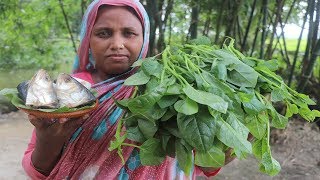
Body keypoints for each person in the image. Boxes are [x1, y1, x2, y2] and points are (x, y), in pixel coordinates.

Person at [22, 0, 234, 179]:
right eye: (103, 33)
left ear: (144, 39)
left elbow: (198, 161)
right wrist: (48, 141)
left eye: (129, 33)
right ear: (88, 40)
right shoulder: (68, 91)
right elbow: (37, 170)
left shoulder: (168, 89)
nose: (117, 44)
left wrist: (226, 145)